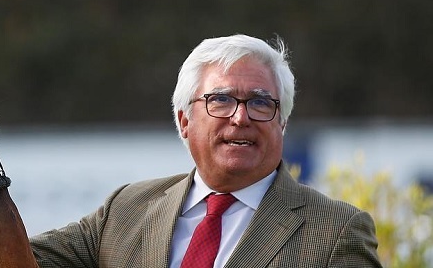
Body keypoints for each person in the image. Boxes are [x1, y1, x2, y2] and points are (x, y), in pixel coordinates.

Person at [30, 34, 381, 267]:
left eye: (260, 102)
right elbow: (13, 256)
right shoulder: (126, 210)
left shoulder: (335, 231)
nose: (241, 117)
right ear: (184, 121)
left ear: (282, 123)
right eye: (222, 100)